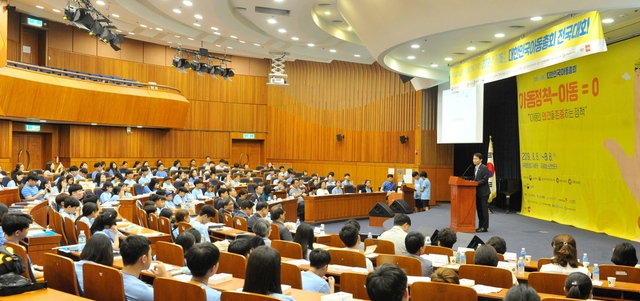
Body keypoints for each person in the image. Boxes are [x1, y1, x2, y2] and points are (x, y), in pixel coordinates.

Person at [121, 235, 170, 301]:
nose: (151, 257)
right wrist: (165, 278)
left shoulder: (114, 277)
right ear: (144, 258)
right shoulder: (143, 291)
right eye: (151, 254)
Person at [1, 212, 42, 281]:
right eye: (27, 228)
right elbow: (30, 274)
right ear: (17, 233)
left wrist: (34, 266)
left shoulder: (3, 242)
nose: (29, 229)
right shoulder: (18, 251)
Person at [473, 153, 490, 232]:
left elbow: (484, 179)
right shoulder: (475, 168)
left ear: (481, 159)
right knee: (479, 210)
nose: (474, 160)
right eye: (474, 159)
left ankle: (485, 227)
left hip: (483, 192)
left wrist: (476, 183)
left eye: (476, 159)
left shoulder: (484, 168)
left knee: (484, 210)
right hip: (477, 192)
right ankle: (480, 226)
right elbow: (476, 179)